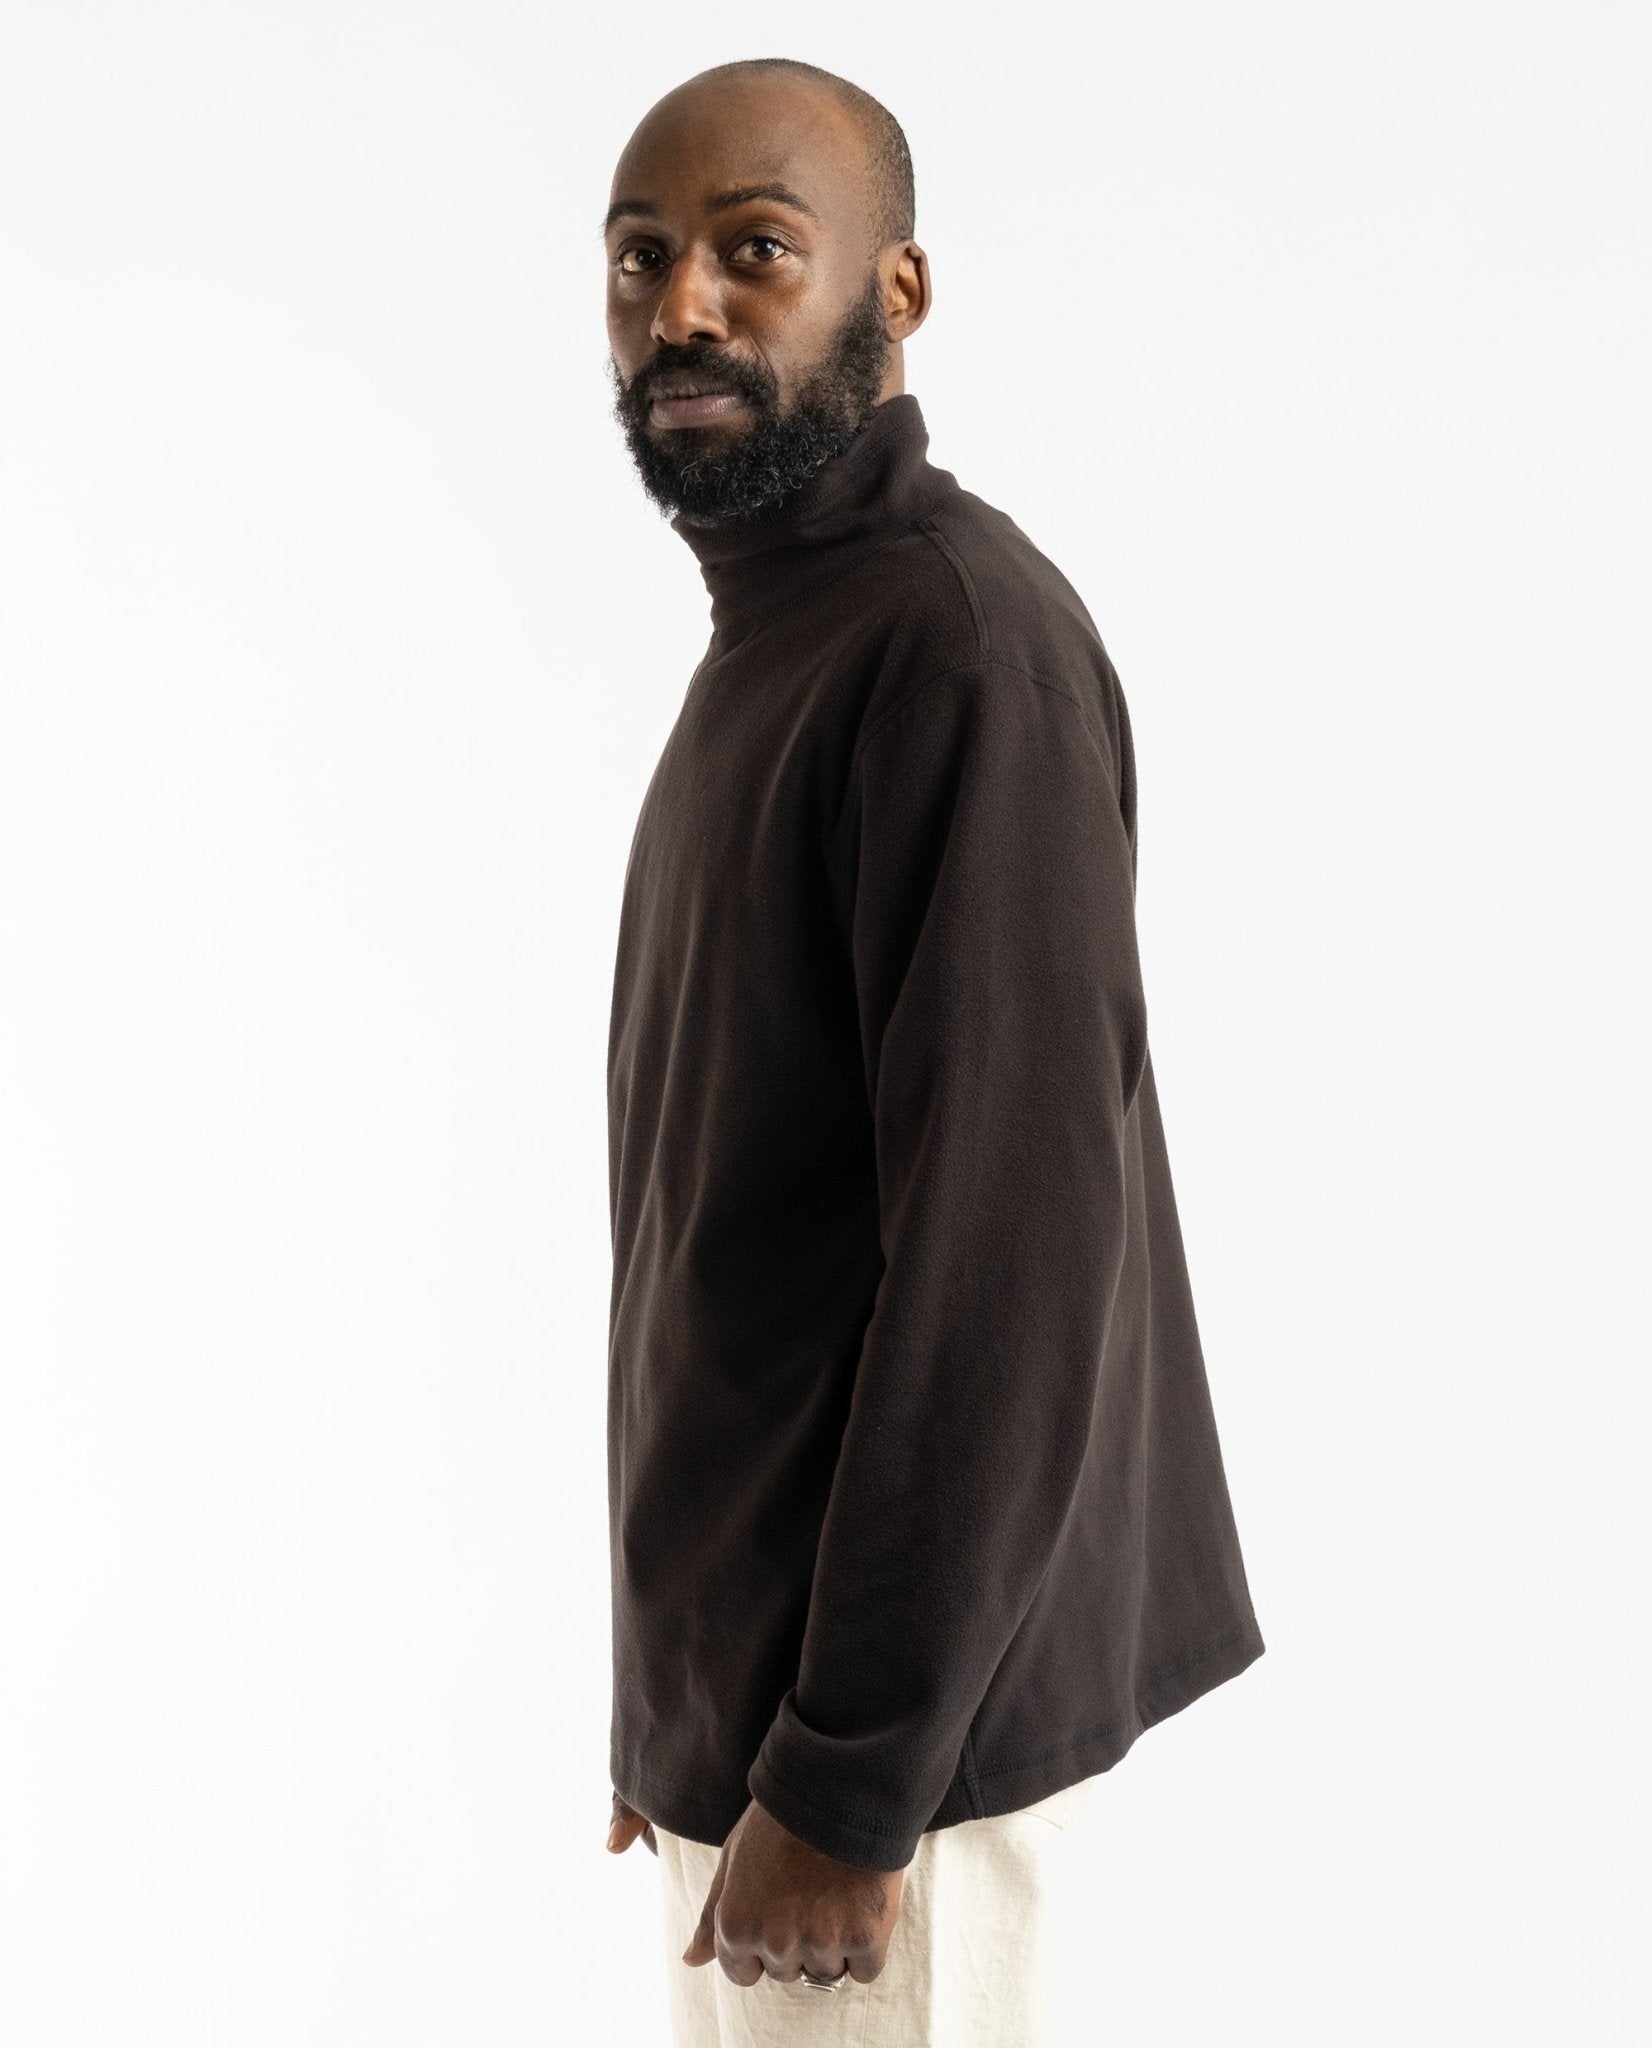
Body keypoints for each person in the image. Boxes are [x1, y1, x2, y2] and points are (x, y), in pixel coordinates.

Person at [597, 56, 1266, 2046]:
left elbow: (1006, 1258)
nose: (683, 306)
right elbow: (747, 1231)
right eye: (640, 257)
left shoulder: (955, 648)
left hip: (891, 1791)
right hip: (773, 1738)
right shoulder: (781, 641)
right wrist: (679, 1698)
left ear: (893, 293)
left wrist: (852, 1768)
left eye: (754, 251)